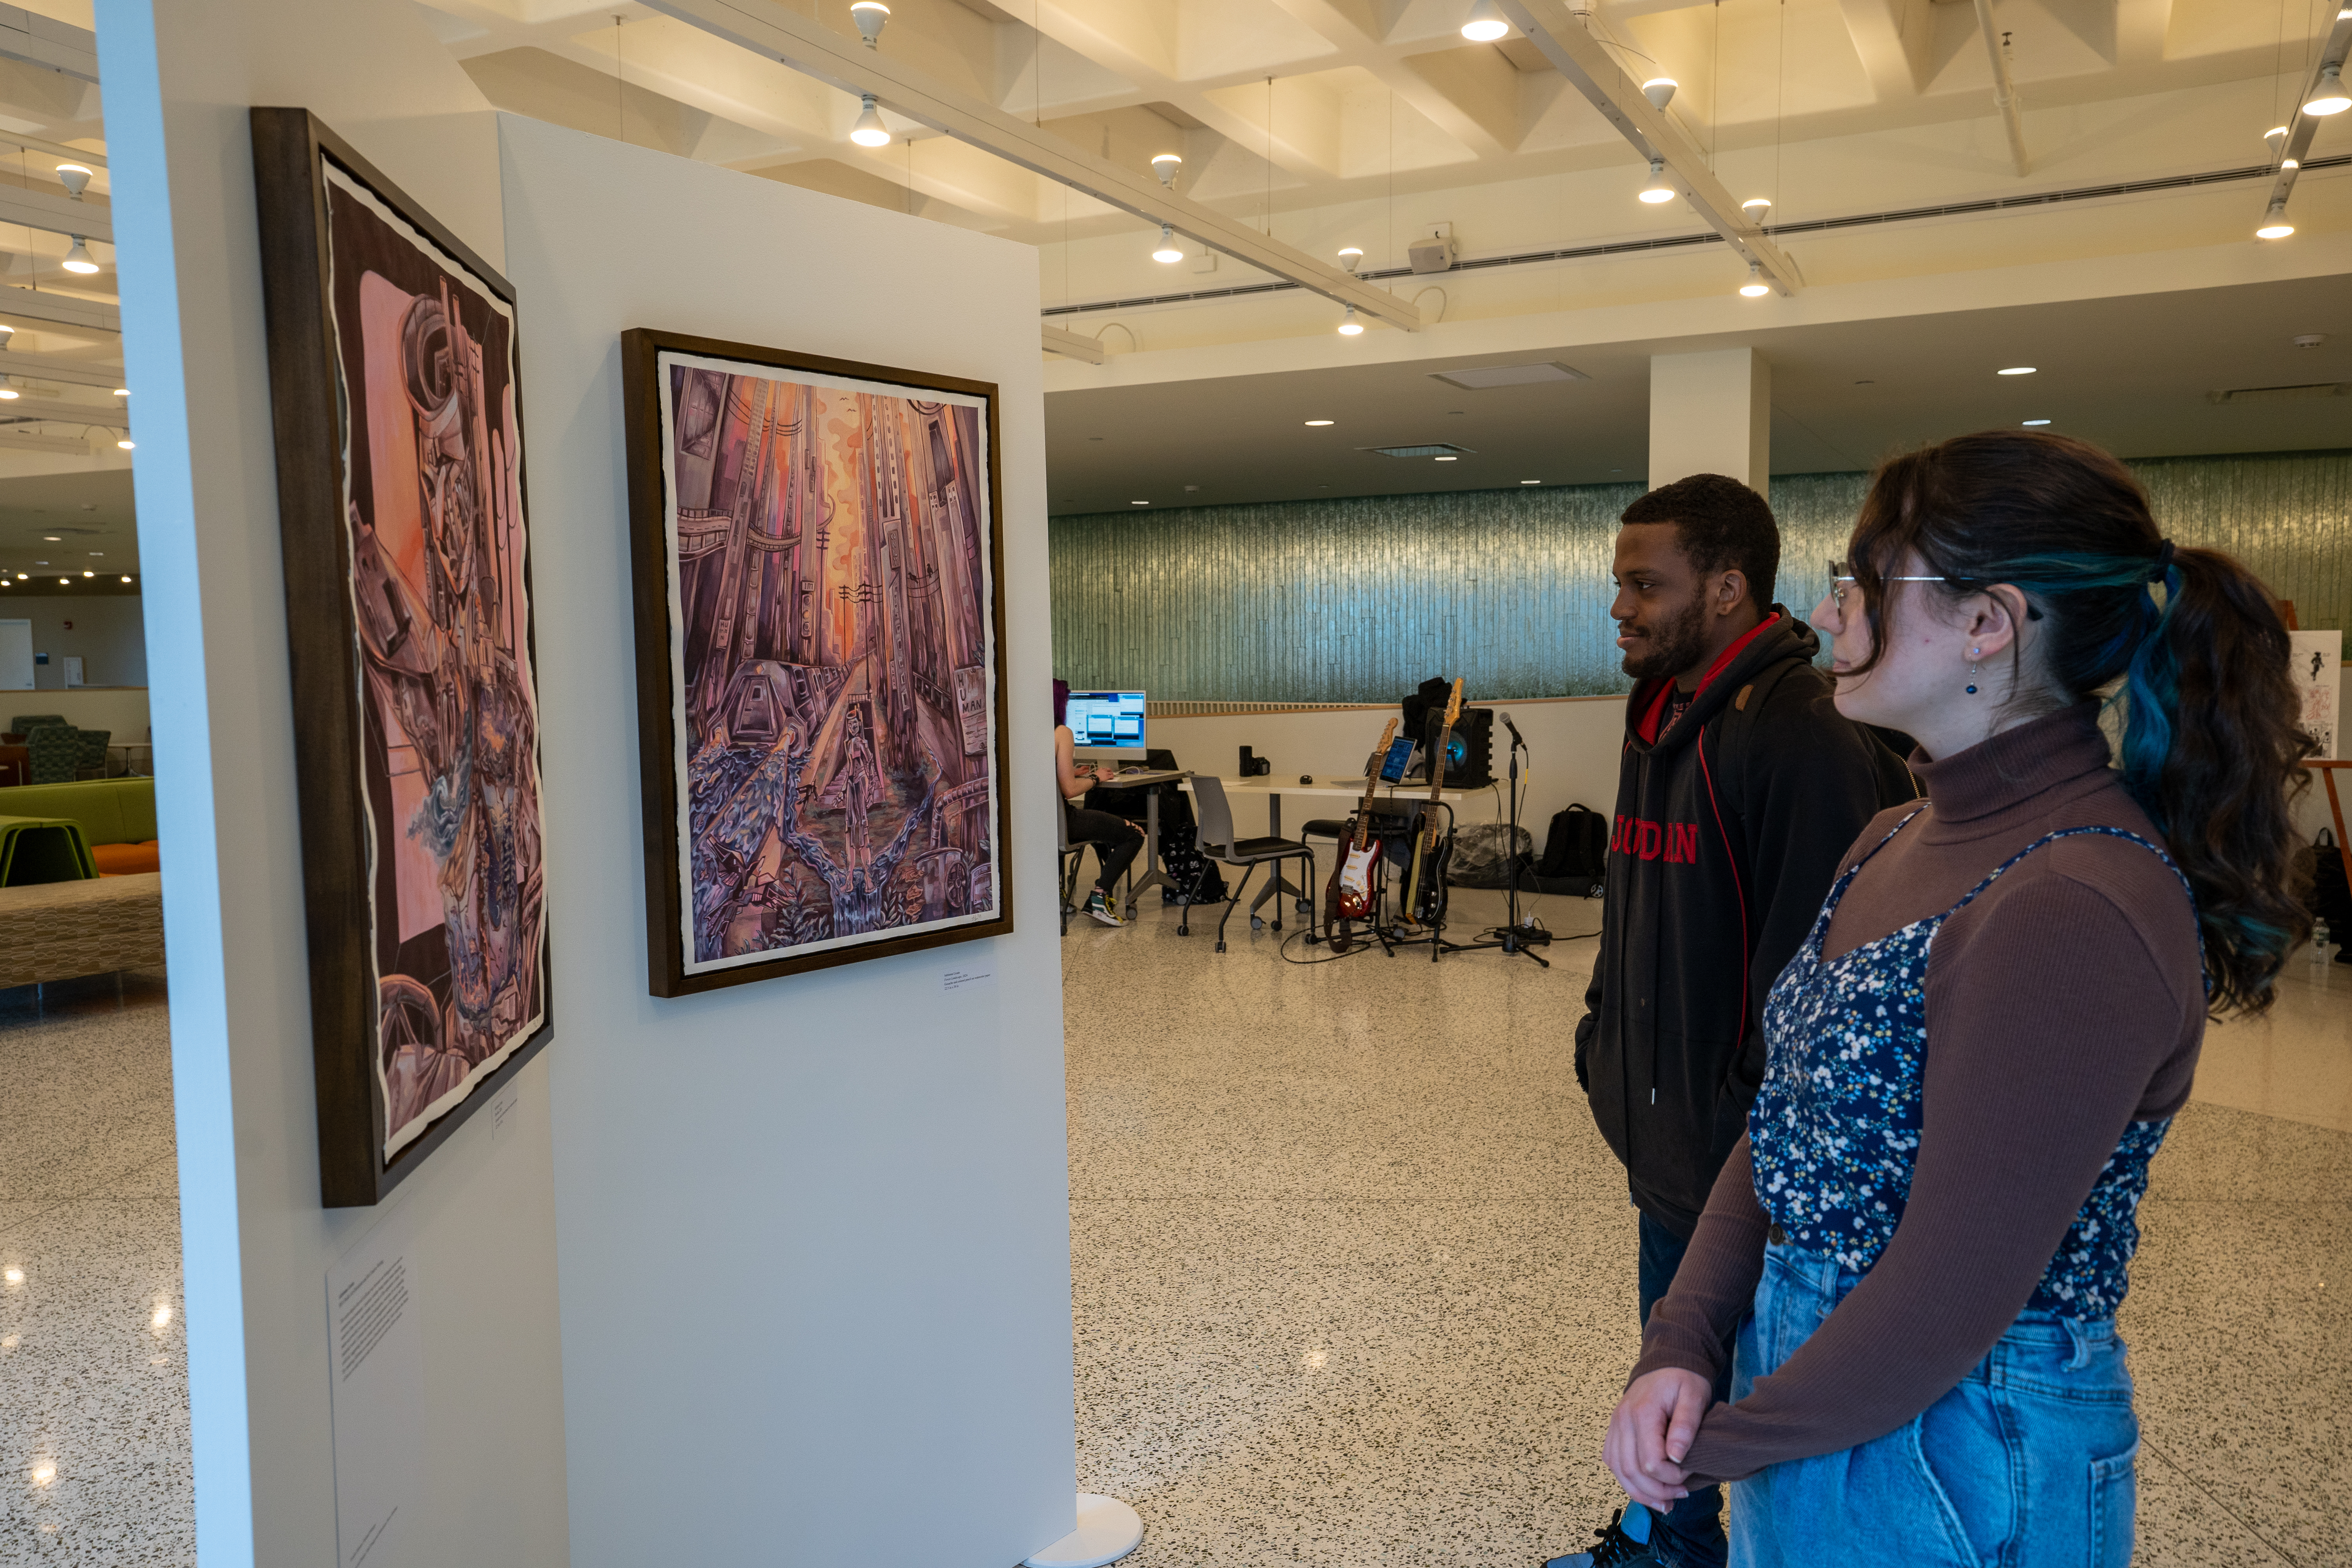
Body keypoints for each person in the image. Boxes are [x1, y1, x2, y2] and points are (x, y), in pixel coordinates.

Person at [1601, 431, 2309, 1567]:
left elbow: (1949, 1293)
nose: (1830, 617)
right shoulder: (1896, 833)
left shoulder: (2074, 896)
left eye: (1864, 587)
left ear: (1990, 625)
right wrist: (1682, 1341)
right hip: (1822, 1399)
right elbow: (1786, 1122)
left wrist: (1725, 1440)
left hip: (1958, 1448)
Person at [1558, 473, 1914, 1568]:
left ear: (1725, 588)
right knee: (1674, 1355)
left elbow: (1826, 978)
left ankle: (1693, 1544)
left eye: (1644, 584)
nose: (1621, 606)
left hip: (1742, 1153)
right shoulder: (1660, 714)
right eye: (1618, 582)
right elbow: (1634, 906)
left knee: (1740, 1372)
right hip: (1663, 1126)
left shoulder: (1804, 735)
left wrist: (1743, 1119)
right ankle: (1668, 1538)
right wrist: (1600, 1036)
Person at [1055, 678, 1143, 927]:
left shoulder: (1026, 732)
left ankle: (1056, 896)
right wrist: (1095, 778)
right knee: (1134, 834)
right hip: (1063, 820)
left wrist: (1070, 772)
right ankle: (1099, 898)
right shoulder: (1062, 732)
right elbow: (1070, 791)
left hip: (1036, 823)